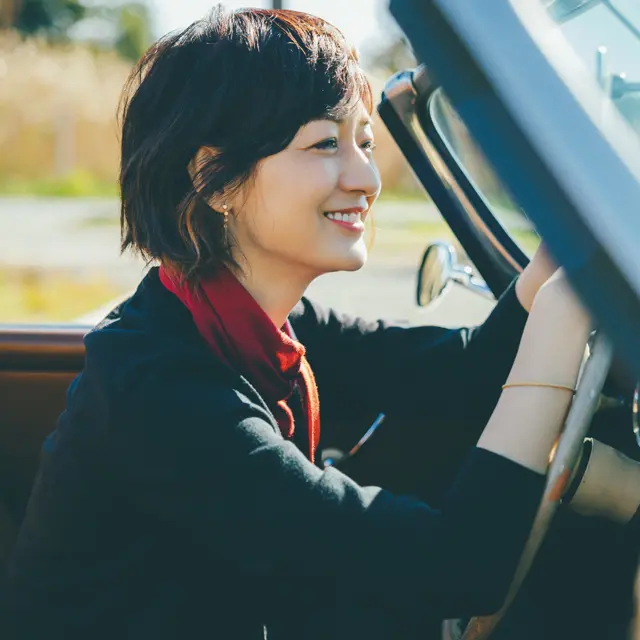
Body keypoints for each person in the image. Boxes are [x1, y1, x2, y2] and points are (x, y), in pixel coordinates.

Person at [1, 7, 591, 640]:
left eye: (364, 142)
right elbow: (454, 565)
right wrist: (563, 320)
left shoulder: (253, 318)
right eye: (323, 144)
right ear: (213, 178)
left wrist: (557, 268)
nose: (366, 179)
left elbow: (462, 370)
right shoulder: (162, 396)